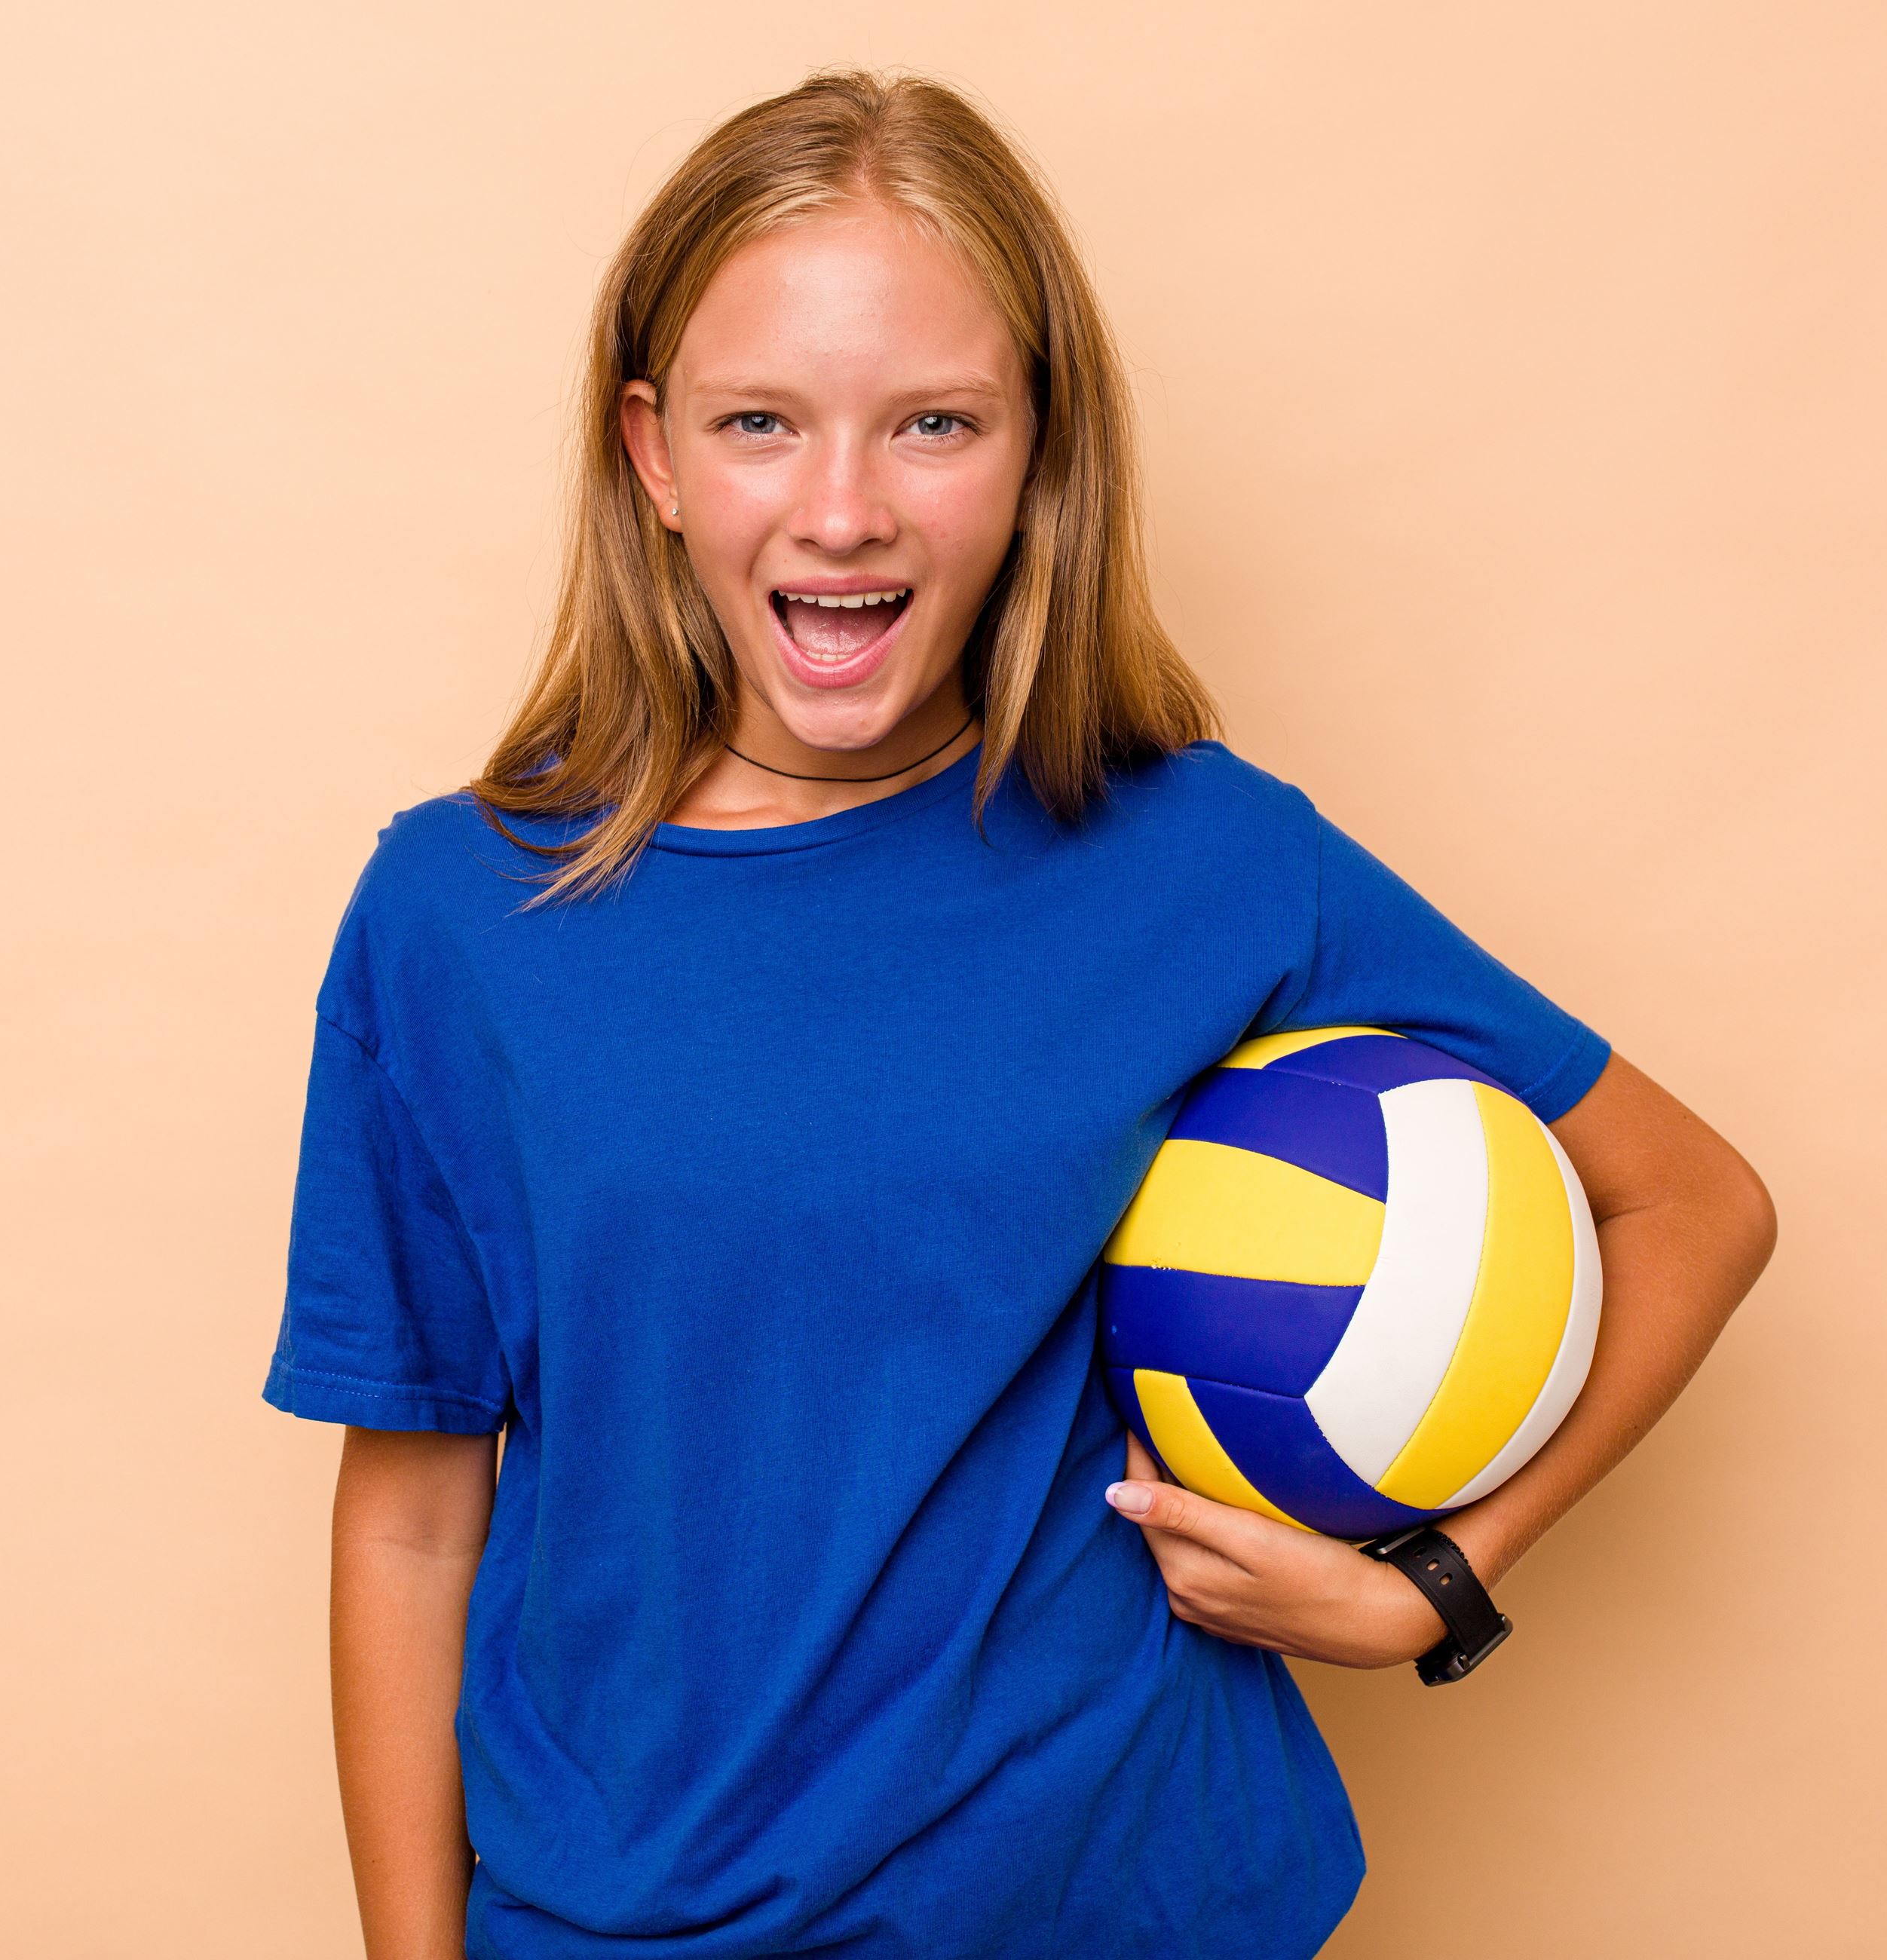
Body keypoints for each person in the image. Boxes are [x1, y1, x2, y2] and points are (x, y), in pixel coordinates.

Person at [262, 67, 1777, 1960]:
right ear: (653, 456)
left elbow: (1693, 1198)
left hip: (1123, 1894)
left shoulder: (1200, 855)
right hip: (627, 1915)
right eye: (760, 422)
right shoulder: (459, 915)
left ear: (1037, 444)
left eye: (933, 424)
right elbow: (409, 1518)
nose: (842, 508)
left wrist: (1435, 1594)